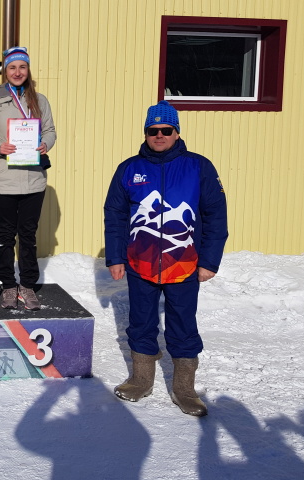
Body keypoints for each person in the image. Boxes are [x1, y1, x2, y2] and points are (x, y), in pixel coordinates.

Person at [104, 100, 228, 416]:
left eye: (165, 130)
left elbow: (215, 215)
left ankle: (184, 388)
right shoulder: (129, 169)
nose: (159, 135)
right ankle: (141, 379)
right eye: (152, 130)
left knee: (183, 323)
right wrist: (116, 257)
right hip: (140, 262)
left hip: (185, 263)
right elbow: (115, 214)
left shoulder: (199, 167)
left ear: (176, 132)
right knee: (141, 320)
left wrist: (209, 260)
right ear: (146, 133)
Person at [0, 47, 56, 311]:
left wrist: (45, 144)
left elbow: (51, 131)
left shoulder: (40, 100)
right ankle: (8, 286)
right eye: (12, 67)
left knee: (28, 235)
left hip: (34, 179)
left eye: (22, 67)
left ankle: (28, 286)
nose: (18, 72)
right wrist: (0, 147)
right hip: (4, 180)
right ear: (5, 71)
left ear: (28, 70)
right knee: (6, 235)